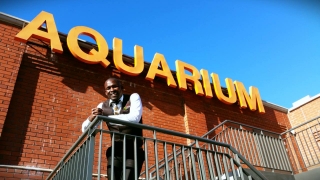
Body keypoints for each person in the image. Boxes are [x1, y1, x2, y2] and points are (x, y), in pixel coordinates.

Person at [82, 77, 145, 180]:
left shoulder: (133, 97)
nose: (111, 90)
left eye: (114, 86)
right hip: (115, 151)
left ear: (121, 88)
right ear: (105, 91)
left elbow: (135, 118)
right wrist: (91, 118)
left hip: (134, 150)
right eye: (108, 88)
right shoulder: (102, 105)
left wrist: (107, 117)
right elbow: (85, 129)